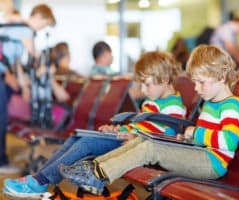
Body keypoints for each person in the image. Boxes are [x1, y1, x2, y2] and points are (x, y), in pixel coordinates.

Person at [58, 44, 239, 195]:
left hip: (212, 164)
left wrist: (196, 133)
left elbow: (228, 142)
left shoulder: (231, 107)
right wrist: (188, 139)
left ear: (222, 77)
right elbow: (205, 138)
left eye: (201, 82)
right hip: (201, 154)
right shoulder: (211, 101)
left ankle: (98, 175)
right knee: (144, 140)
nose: (196, 89)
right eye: (195, 82)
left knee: (151, 147)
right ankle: (93, 169)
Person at [3, 51, 187, 197]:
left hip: (134, 146)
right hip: (126, 138)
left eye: (147, 85)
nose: (144, 90)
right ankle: (39, 178)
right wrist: (119, 128)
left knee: (86, 143)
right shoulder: (153, 102)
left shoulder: (174, 108)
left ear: (164, 80)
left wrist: (132, 135)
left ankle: (39, 182)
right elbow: (142, 127)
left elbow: (164, 138)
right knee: (77, 136)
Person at [0, 3, 55, 173]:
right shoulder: (25, 29)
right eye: (44, 24)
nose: (41, 29)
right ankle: (1, 162)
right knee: (1, 118)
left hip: (4, 74)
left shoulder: (16, 26)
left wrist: (22, 84)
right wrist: (46, 70)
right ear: (38, 17)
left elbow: (14, 62)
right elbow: (34, 59)